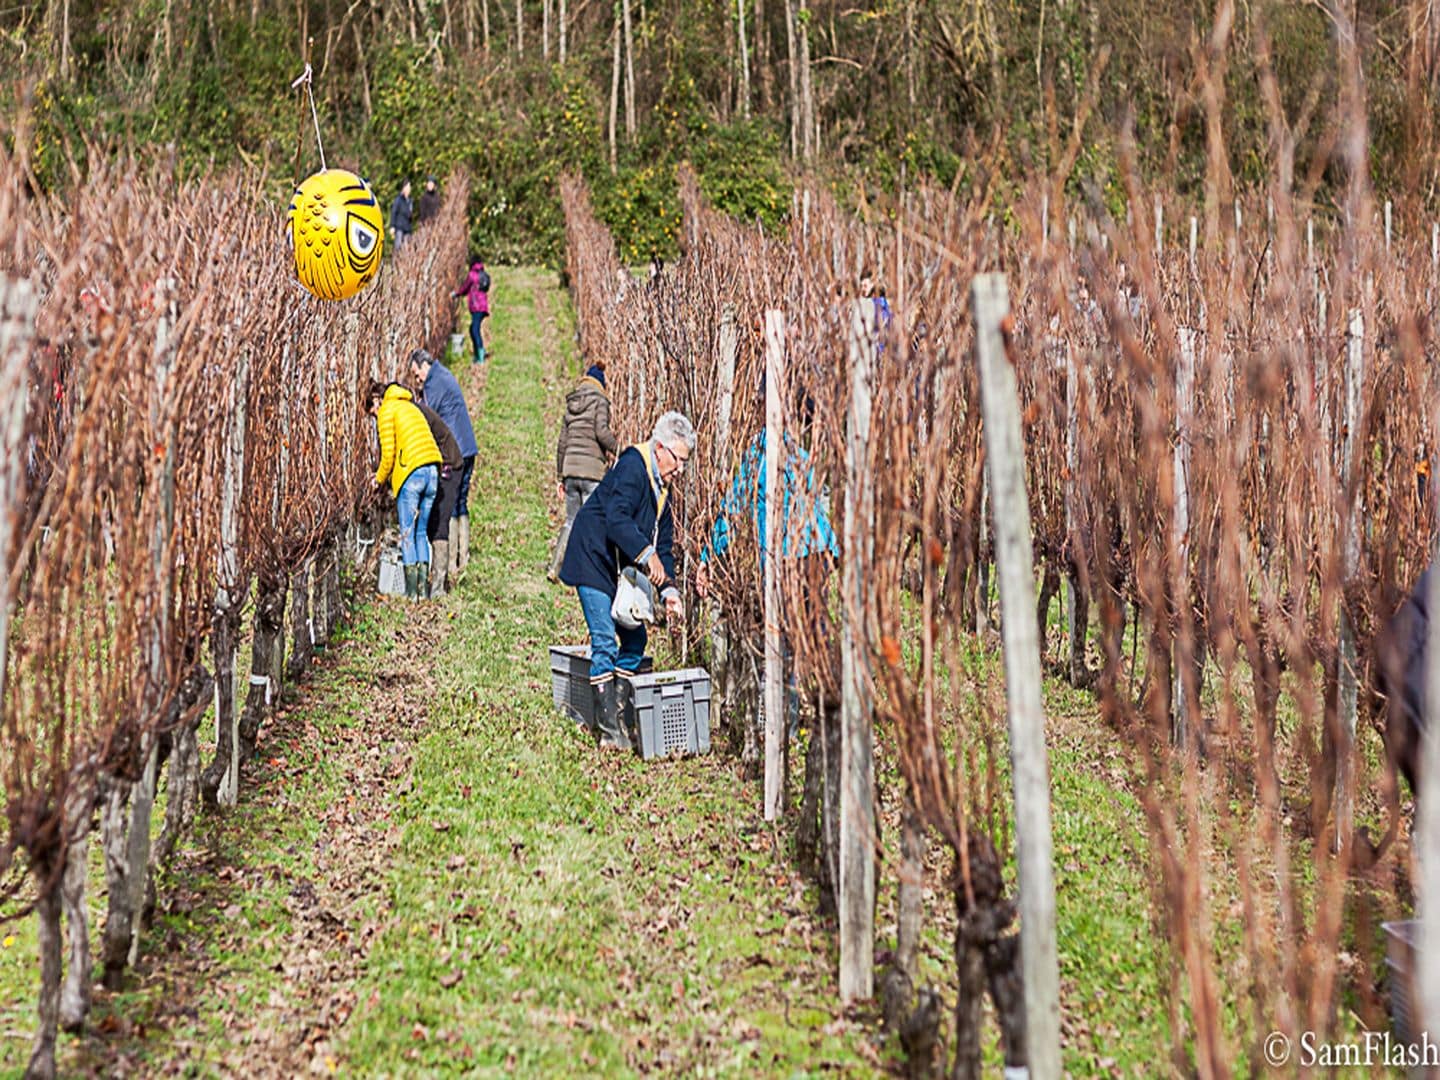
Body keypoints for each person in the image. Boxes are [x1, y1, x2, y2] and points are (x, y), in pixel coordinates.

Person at [559, 411, 696, 750]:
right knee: (605, 640)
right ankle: (609, 733)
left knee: (635, 643)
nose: (680, 469)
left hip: (619, 570)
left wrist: (670, 591)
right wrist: (646, 555)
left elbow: (663, 545)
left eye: (685, 463)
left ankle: (618, 715)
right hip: (593, 557)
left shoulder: (665, 491)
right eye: (678, 460)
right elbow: (616, 519)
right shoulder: (633, 467)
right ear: (660, 448)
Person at [367, 379, 441, 599]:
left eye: (372, 411)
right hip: (432, 471)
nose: (374, 415)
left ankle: (411, 595)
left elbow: (388, 455)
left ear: (376, 400)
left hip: (412, 473)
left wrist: (377, 479)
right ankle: (423, 592)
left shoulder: (387, 410)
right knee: (421, 533)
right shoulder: (409, 405)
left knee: (407, 533)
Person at [409, 348, 478, 583]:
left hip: (453, 451)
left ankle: (450, 563)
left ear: (424, 366)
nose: (417, 379)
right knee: (461, 502)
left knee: (446, 505)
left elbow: (427, 417)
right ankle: (463, 557)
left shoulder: (433, 385)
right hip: (468, 445)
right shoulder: (445, 375)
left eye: (417, 373)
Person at [549, 362, 618, 582]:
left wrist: (561, 475)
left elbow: (562, 442)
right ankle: (587, 573)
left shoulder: (573, 402)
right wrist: (620, 448)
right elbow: (601, 432)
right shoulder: (601, 401)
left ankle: (555, 567)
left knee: (571, 520)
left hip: (571, 469)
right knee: (591, 523)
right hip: (592, 471)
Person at [411, 393, 463, 598]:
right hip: (438, 466)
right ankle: (434, 580)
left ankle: (439, 587)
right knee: (431, 523)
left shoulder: (416, 414)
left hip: (449, 465)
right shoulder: (414, 410)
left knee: (440, 522)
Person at [454, 255, 491, 364]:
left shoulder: (472, 275)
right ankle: (478, 354)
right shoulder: (482, 274)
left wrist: (456, 294)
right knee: (473, 329)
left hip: (476, 307)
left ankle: (480, 356)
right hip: (482, 306)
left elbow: (465, 288)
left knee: (474, 330)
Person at [390, 180, 414, 251]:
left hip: (407, 228)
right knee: (398, 247)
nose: (409, 189)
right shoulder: (398, 200)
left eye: (409, 187)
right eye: (408, 187)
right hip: (399, 227)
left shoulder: (410, 201)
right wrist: (392, 226)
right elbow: (394, 212)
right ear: (404, 188)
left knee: (407, 248)